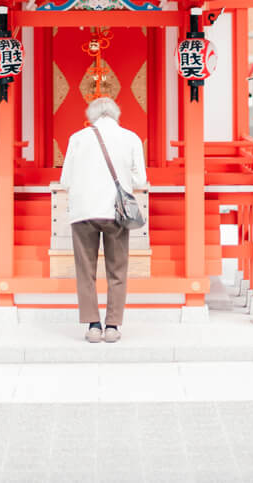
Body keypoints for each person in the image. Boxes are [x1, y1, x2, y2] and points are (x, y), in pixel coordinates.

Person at [59, 97, 147, 343]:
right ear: (116, 114)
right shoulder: (130, 138)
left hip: (83, 212)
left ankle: (93, 325)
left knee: (85, 270)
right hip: (116, 211)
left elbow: (65, 180)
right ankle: (112, 326)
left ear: (92, 116)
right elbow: (140, 180)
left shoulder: (77, 138)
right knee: (117, 270)